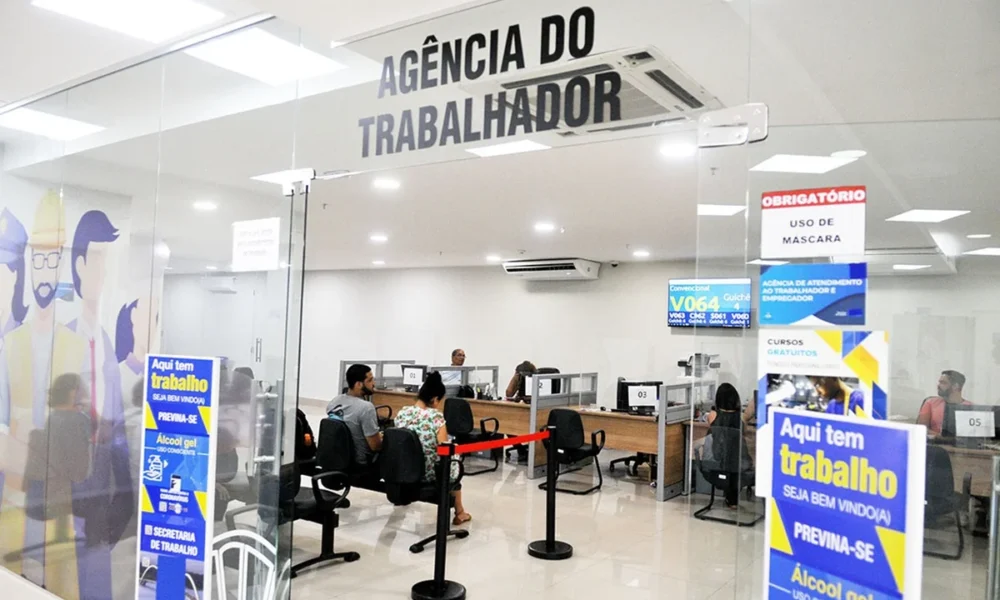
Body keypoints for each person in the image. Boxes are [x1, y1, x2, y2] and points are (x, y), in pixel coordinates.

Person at [394, 371, 471, 525]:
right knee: (453, 459)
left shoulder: (403, 413)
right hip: (427, 472)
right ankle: (460, 512)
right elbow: (443, 448)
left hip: (404, 468)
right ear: (435, 399)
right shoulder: (436, 417)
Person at [326, 364, 382, 479]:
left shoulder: (334, 402)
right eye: (370, 380)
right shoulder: (366, 408)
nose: (374, 383)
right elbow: (375, 446)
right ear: (358, 384)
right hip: (361, 465)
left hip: (339, 459)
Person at [702, 383, 751, 509]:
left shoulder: (713, 415)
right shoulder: (740, 419)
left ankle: (728, 495)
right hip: (738, 464)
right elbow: (744, 430)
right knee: (733, 459)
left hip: (717, 461)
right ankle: (732, 499)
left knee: (726, 457)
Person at [917, 370, 972, 437]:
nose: (938, 385)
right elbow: (921, 429)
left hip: (961, 443)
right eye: (939, 382)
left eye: (943, 383)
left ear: (956, 386)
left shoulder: (971, 407)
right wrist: (943, 438)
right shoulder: (930, 403)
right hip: (935, 442)